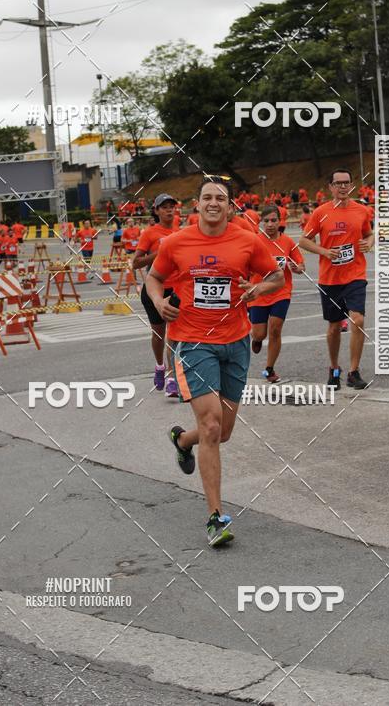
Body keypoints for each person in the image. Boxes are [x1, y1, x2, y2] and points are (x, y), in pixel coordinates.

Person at [146, 175, 285, 547]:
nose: (212, 203)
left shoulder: (246, 240)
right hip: (193, 342)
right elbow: (153, 278)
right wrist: (159, 301)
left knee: (222, 432)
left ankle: (181, 441)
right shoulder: (176, 242)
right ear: (197, 204)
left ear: (229, 205)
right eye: (206, 197)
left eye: (219, 198)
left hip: (235, 342)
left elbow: (276, 274)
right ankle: (215, 518)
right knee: (211, 426)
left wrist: (259, 288)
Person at [299, 168, 374, 390]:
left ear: (351, 186)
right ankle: (334, 368)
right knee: (333, 327)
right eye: (338, 183)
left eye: (347, 183)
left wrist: (369, 243)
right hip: (330, 278)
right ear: (330, 187)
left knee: (357, 320)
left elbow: (369, 234)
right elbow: (304, 241)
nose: (343, 187)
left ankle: (354, 371)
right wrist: (324, 251)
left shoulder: (361, 211)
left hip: (355, 275)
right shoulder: (320, 212)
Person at [249, 206, 304, 382]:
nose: (270, 224)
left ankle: (269, 368)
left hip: (281, 291)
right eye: (266, 221)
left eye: (273, 220)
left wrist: (298, 268)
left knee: (275, 329)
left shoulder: (288, 242)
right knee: (259, 334)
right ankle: (256, 339)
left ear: (280, 221)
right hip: (258, 292)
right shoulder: (253, 241)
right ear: (260, 223)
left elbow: (300, 265)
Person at [132, 194, 179, 397]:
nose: (169, 210)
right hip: (155, 290)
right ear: (157, 211)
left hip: (176, 289)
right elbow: (136, 263)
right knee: (159, 334)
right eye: (164, 207)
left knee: (174, 335)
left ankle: (172, 378)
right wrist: (159, 253)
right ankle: (160, 366)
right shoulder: (149, 233)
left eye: (172, 206)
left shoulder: (181, 232)